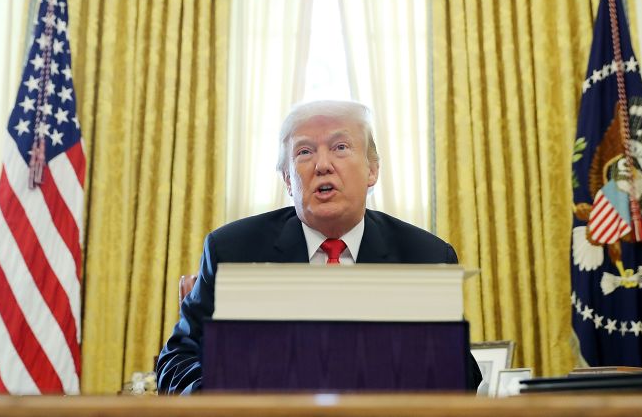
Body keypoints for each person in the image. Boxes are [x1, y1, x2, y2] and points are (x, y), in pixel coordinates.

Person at [156, 100, 482, 394]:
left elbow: (463, 378)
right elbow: (178, 358)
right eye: (304, 152)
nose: (322, 165)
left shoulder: (425, 258)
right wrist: (227, 402)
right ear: (287, 179)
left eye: (340, 147)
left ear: (372, 170)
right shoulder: (233, 251)